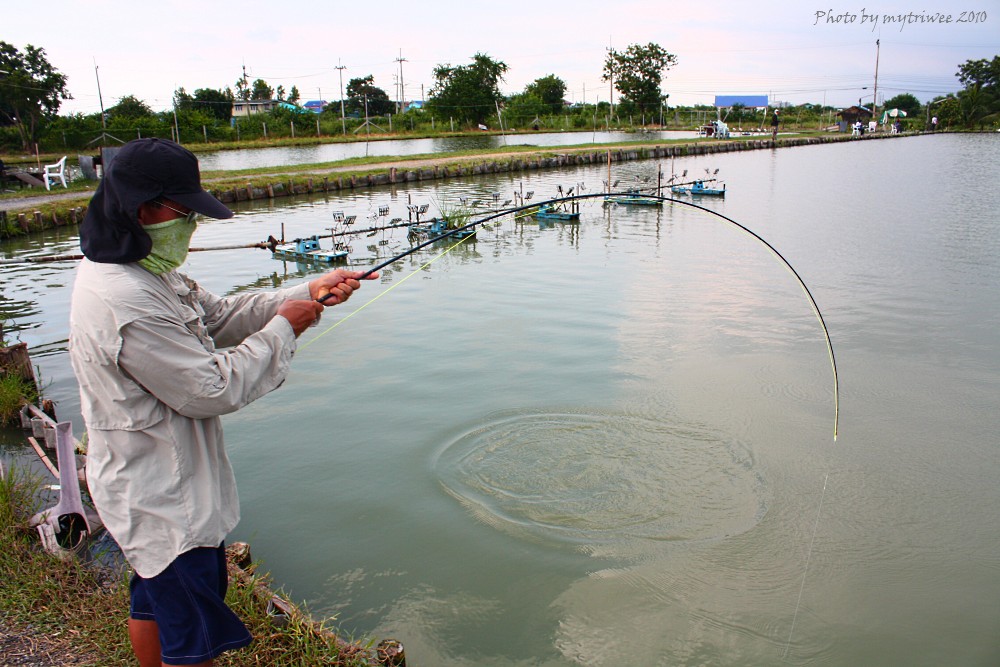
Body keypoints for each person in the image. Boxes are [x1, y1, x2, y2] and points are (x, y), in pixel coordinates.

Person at [69, 137, 377, 667]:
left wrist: (304, 292)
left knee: (153, 602)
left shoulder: (139, 264)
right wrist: (285, 328)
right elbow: (210, 388)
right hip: (164, 497)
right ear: (141, 208)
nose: (190, 223)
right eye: (183, 211)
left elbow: (214, 316)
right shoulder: (126, 298)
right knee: (192, 641)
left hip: (150, 484)